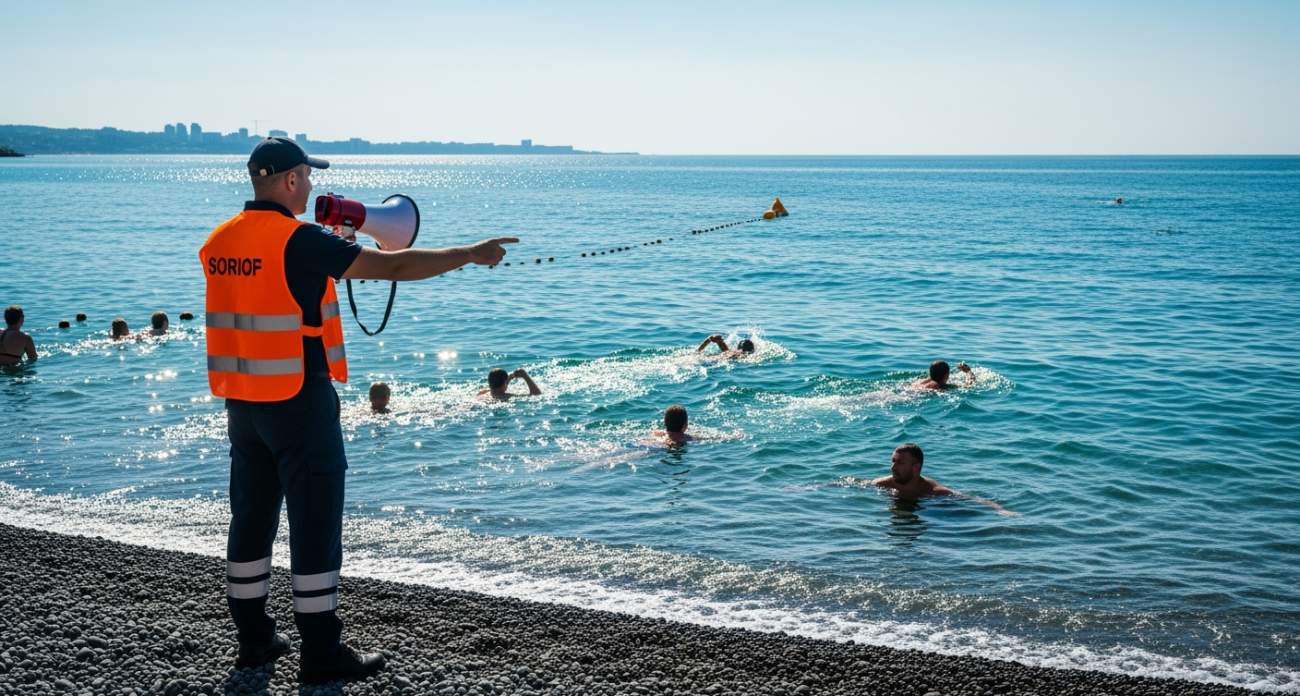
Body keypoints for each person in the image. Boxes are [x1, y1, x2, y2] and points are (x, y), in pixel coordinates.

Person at [204, 137, 516, 682]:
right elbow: (392, 267)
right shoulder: (297, 240)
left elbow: (271, 294)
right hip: (298, 399)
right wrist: (468, 253)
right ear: (292, 180)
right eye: (308, 173)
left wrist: (331, 245)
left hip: (242, 402)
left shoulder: (220, 240)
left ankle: (254, 640)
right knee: (315, 520)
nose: (312, 182)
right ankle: (321, 654)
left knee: (250, 519)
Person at [872, 443, 1017, 515]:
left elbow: (970, 500)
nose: (893, 467)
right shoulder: (882, 484)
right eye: (893, 461)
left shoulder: (936, 492)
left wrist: (1000, 510)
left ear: (916, 467)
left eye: (900, 463)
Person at [477, 367, 541, 399]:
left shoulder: (483, 394)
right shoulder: (507, 396)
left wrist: (508, 379)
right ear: (505, 382)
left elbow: (497, 387)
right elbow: (536, 393)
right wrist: (525, 376)